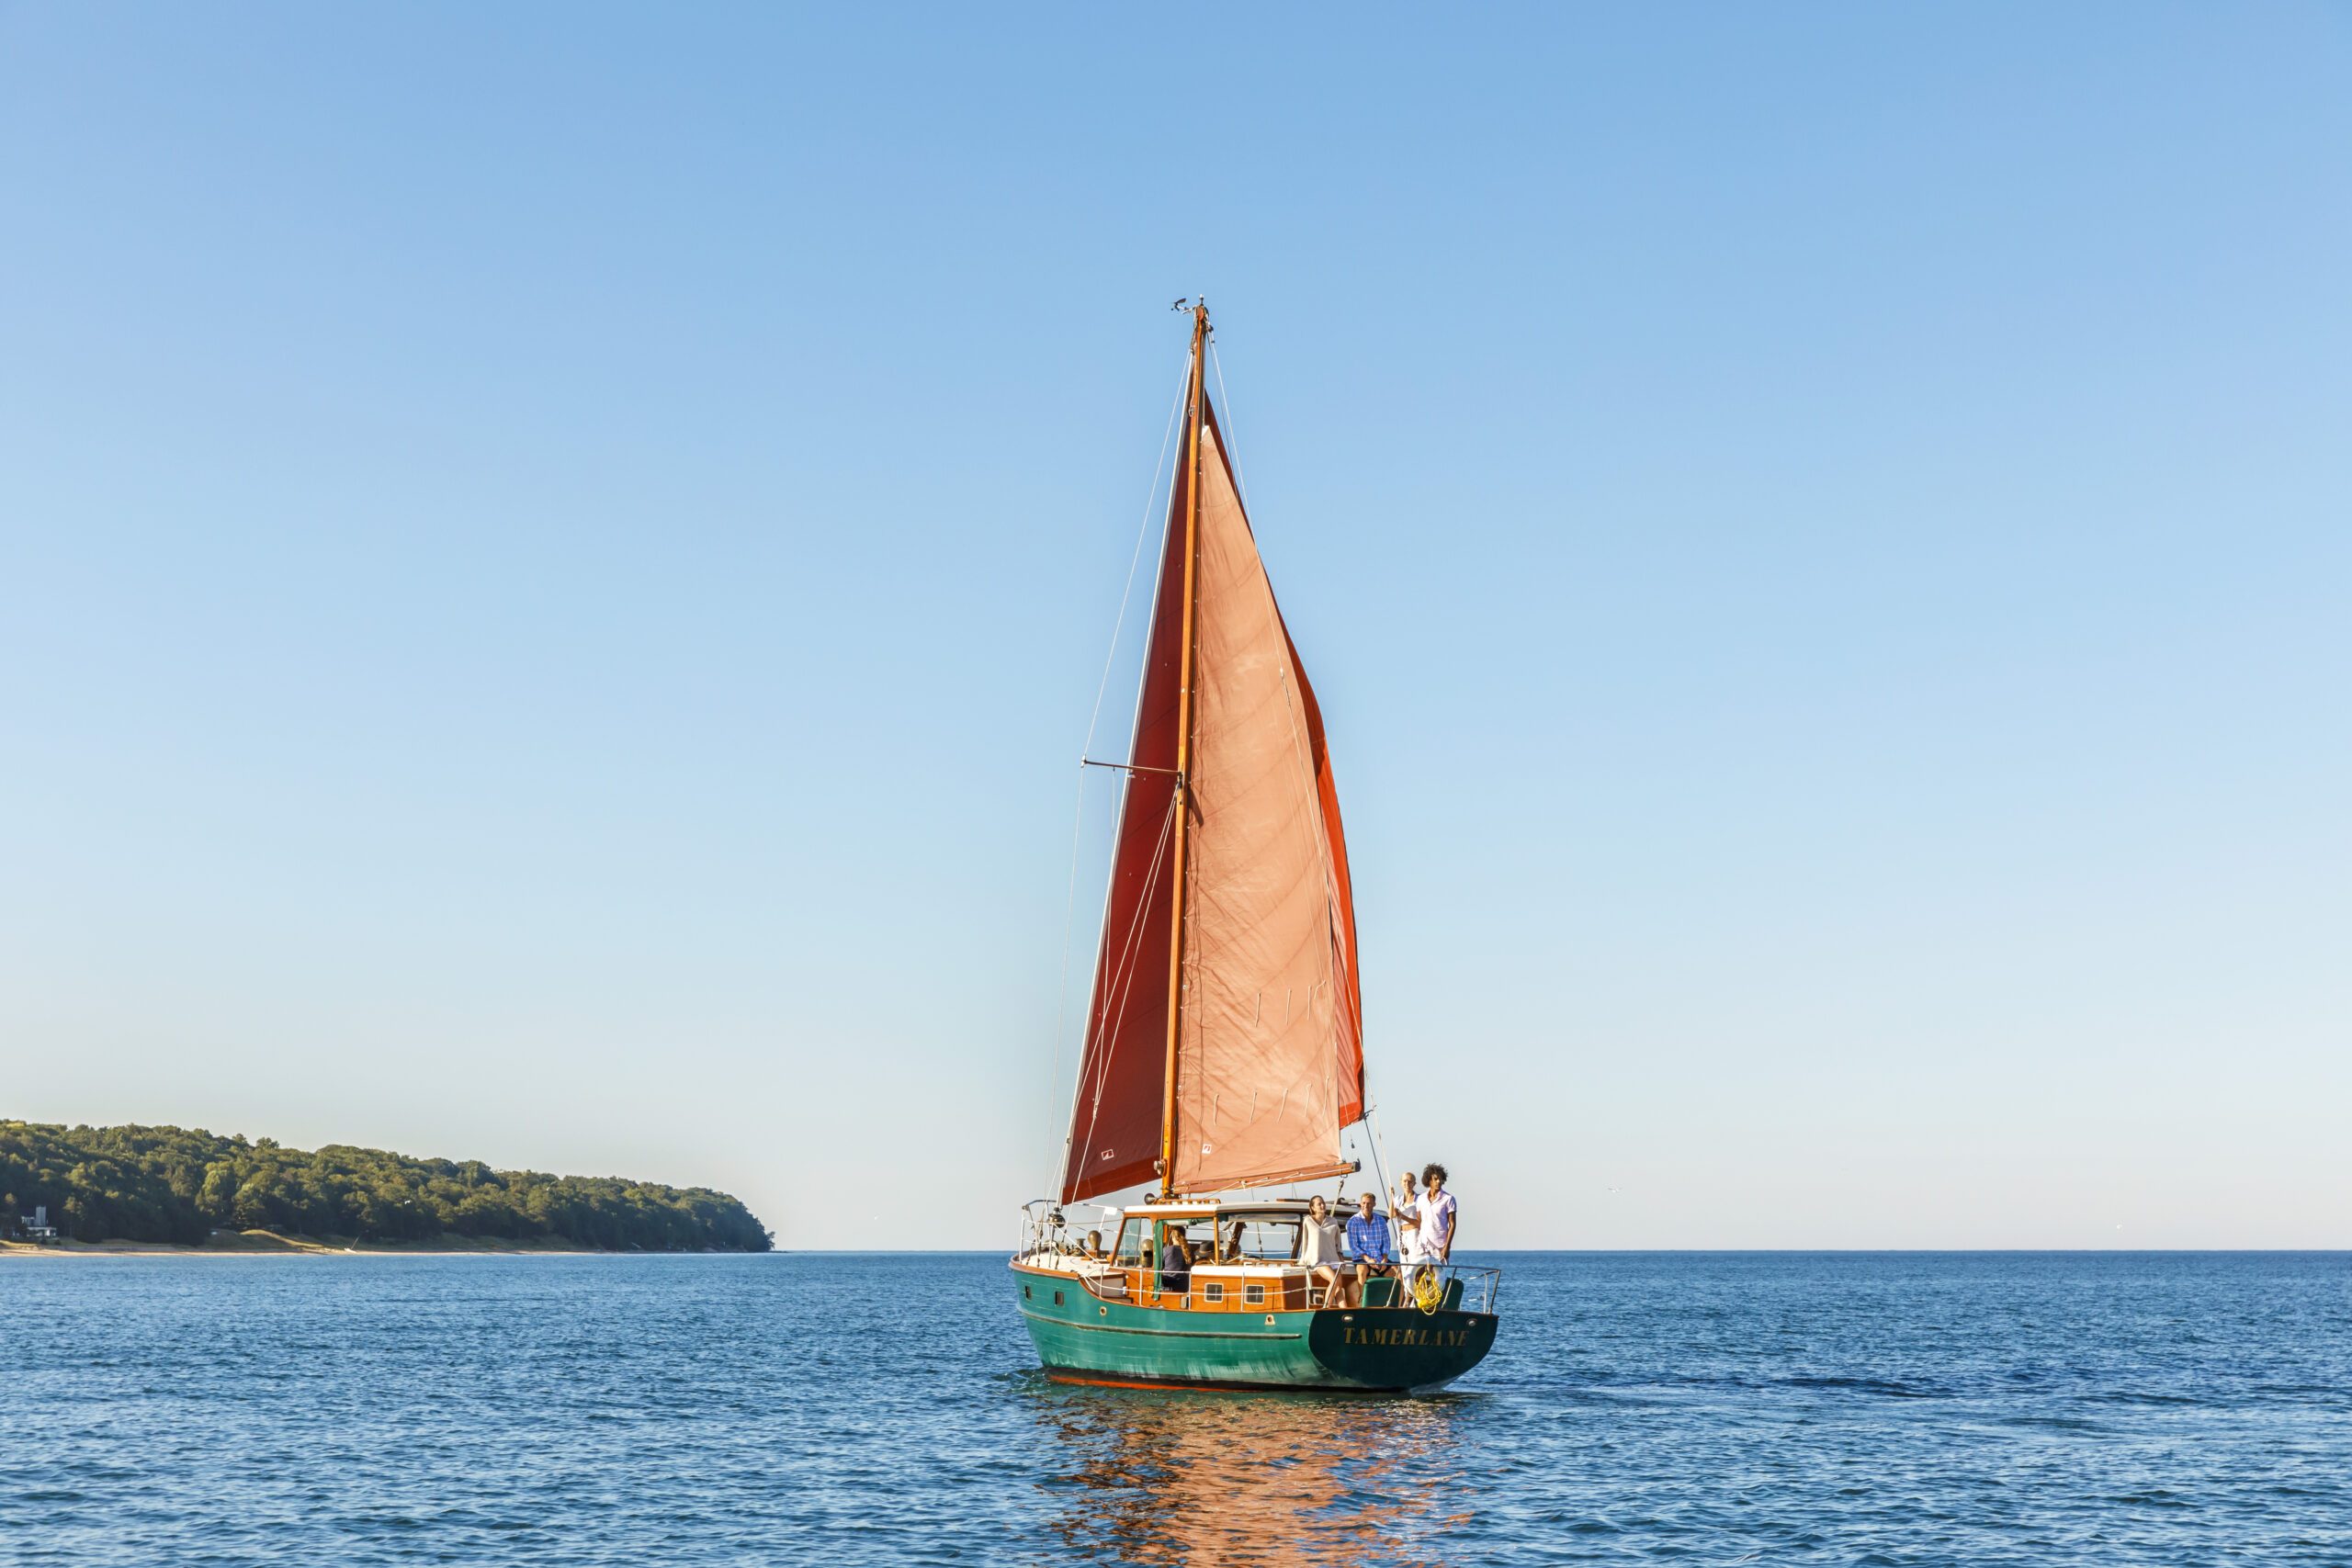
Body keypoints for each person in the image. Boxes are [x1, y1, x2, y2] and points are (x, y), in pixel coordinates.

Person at [1343, 1190, 1395, 1306]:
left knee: (1397, 1274)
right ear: (1360, 1204)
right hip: (1362, 1257)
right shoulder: (1353, 1221)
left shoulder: (1381, 1220)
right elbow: (1353, 1246)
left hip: (1379, 1257)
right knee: (1362, 1271)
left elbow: (1386, 1242)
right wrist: (1368, 1259)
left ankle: (1392, 1304)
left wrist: (1384, 1259)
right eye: (1364, 1203)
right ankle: (1363, 1301)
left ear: (1374, 1204)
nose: (1366, 1206)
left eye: (1369, 1203)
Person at [1298, 1194, 1347, 1309]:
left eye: (1323, 1203)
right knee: (1334, 1281)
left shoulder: (1333, 1221)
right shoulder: (1308, 1221)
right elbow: (1304, 1241)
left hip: (1333, 1258)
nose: (1322, 1205)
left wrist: (1341, 1257)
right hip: (1317, 1259)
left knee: (1339, 1287)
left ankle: (1346, 1311)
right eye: (1319, 1204)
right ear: (1313, 1208)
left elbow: (1338, 1242)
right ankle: (1326, 1308)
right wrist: (1304, 1260)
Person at [1158, 1224, 1193, 1303]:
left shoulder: (1166, 1250)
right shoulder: (1189, 1251)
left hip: (1169, 1285)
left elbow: (1159, 1267)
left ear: (1173, 1236)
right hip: (1184, 1287)